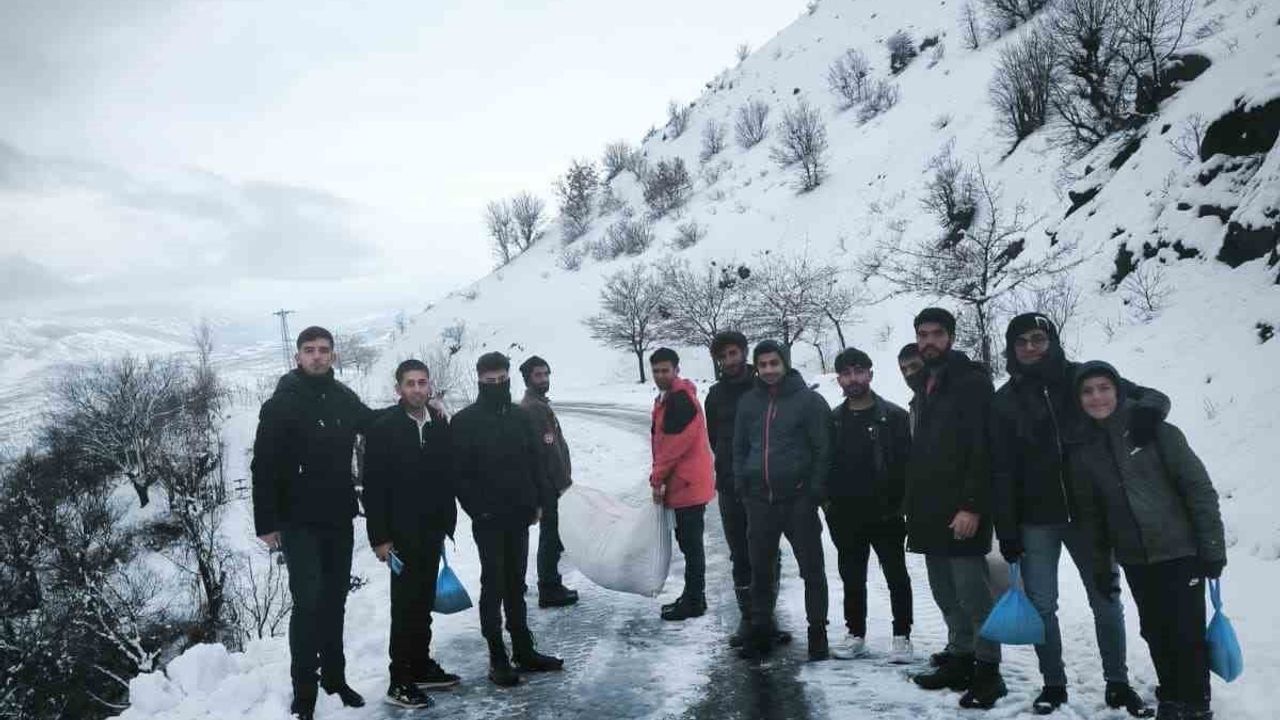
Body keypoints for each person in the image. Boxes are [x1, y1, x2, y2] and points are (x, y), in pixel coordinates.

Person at [990, 314, 1160, 717]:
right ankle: (1053, 683)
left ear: (1052, 341)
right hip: (1035, 521)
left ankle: (1117, 683)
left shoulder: (1081, 379)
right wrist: (1007, 529)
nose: (1031, 348)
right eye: (1022, 342)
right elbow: (1000, 470)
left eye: (1038, 339)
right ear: (1012, 349)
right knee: (1043, 605)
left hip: (1091, 517)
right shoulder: (1004, 400)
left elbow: (1148, 396)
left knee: (1106, 600)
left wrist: (1148, 414)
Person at [1070, 362, 1225, 720]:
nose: (1097, 397)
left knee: (1185, 630)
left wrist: (1212, 548)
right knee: (1154, 629)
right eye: (1088, 391)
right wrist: (1100, 567)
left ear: (1119, 390)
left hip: (1179, 549)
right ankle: (1171, 696)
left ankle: (1197, 703)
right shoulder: (1084, 450)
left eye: (1104, 388)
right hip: (1135, 557)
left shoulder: (1157, 430)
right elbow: (1092, 517)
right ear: (1079, 400)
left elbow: (1198, 489)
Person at [252, 326, 372, 720]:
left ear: (333, 355)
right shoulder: (280, 404)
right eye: (309, 350)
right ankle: (304, 691)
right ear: (298, 357)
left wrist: (420, 411)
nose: (317, 356)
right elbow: (262, 466)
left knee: (335, 601)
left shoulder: (343, 398)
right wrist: (266, 523)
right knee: (308, 604)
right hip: (297, 519)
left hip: (338, 516)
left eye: (324, 350)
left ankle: (334, 679)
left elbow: (375, 426)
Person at [903, 308, 1005, 710]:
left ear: (950, 337)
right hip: (930, 510)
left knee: (972, 594)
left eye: (937, 334)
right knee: (945, 592)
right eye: (922, 334)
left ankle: (988, 671)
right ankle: (960, 657)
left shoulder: (971, 382)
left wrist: (973, 506)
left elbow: (983, 448)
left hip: (962, 510)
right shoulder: (928, 382)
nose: (928, 341)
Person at [451, 352, 563, 687]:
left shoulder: (519, 416)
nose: (497, 385)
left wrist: (540, 502)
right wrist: (477, 509)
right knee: (494, 584)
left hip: (520, 513)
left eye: (502, 380)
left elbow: (536, 463)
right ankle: (497, 655)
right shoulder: (465, 421)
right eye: (490, 382)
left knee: (516, 583)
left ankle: (524, 649)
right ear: (480, 381)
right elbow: (459, 477)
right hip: (488, 518)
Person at [363, 359, 461, 709]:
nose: (417, 389)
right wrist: (380, 539)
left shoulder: (438, 424)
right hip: (400, 534)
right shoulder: (383, 428)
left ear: (429, 386)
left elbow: (449, 471)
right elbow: (372, 488)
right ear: (398, 389)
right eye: (410, 383)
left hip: (431, 529)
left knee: (422, 603)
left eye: (422, 382)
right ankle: (399, 680)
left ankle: (420, 666)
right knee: (404, 606)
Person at [732, 340, 831, 661]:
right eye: (763, 365)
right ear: (756, 368)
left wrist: (814, 491)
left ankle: (818, 632)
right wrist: (743, 483)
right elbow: (739, 447)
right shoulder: (749, 402)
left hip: (798, 501)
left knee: (811, 569)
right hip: (760, 501)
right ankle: (761, 630)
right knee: (760, 569)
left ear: (785, 364)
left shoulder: (809, 401)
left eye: (775, 363)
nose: (769, 370)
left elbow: (823, 450)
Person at [826, 347, 914, 663]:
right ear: (839, 380)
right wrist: (829, 504)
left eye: (859, 371)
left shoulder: (895, 417)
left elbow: (908, 467)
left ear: (870, 375)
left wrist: (903, 506)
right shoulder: (832, 421)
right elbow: (824, 465)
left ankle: (902, 636)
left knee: (896, 576)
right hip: (846, 515)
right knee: (852, 576)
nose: (853, 378)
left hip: (887, 513)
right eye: (847, 373)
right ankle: (855, 634)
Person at [705, 331, 790, 648]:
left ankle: (766, 618)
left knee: (768, 554)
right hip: (729, 485)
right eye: (724, 356)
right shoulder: (714, 395)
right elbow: (715, 438)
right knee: (740, 554)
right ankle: (748, 619)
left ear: (744, 353)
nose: (731, 360)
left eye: (735, 353)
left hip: (762, 486)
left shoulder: (764, 388)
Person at [648, 347, 716, 621]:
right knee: (688, 544)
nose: (660, 375)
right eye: (655, 371)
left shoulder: (680, 401)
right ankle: (692, 595)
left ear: (677, 370)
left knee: (691, 545)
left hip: (687, 485)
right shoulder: (668, 398)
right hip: (683, 485)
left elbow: (672, 447)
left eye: (665, 370)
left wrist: (657, 478)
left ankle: (695, 599)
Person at [518, 355, 579, 609]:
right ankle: (549, 588)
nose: (543, 379)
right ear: (528, 379)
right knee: (550, 537)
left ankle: (551, 583)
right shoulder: (534, 408)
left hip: (550, 483)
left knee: (552, 536)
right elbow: (549, 451)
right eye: (538, 375)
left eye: (546, 374)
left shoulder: (539, 404)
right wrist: (563, 484)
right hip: (549, 485)